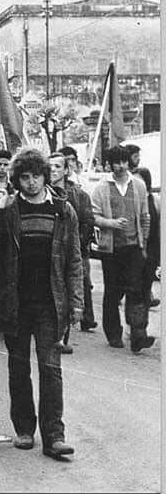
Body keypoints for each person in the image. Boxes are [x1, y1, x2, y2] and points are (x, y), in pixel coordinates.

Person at [0, 148, 82, 460]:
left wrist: (76, 303)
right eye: (24, 177)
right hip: (16, 303)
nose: (31, 182)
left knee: (51, 370)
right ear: (17, 179)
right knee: (18, 368)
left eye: (36, 176)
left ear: (45, 176)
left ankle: (54, 436)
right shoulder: (8, 209)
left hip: (51, 304)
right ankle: (24, 429)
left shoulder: (63, 210)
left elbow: (74, 259)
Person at [91, 146, 154, 352]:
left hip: (134, 246)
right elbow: (94, 216)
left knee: (136, 290)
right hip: (111, 249)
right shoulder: (102, 187)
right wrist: (111, 223)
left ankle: (138, 334)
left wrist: (143, 243)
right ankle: (113, 333)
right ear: (110, 165)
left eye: (124, 162)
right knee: (113, 292)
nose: (121, 166)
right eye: (116, 163)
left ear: (129, 163)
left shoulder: (138, 185)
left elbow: (145, 216)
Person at [49, 152, 96, 352]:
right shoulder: (42, 193)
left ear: (66, 170)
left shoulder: (79, 195)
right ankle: (56, 335)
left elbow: (88, 221)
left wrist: (77, 243)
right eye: (50, 166)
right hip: (51, 251)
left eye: (57, 166)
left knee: (75, 287)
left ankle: (63, 334)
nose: (53, 170)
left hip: (75, 250)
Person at [132, 168, 160, 308]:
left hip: (152, 247)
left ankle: (147, 297)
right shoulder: (133, 198)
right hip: (136, 246)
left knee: (147, 278)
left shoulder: (155, 200)